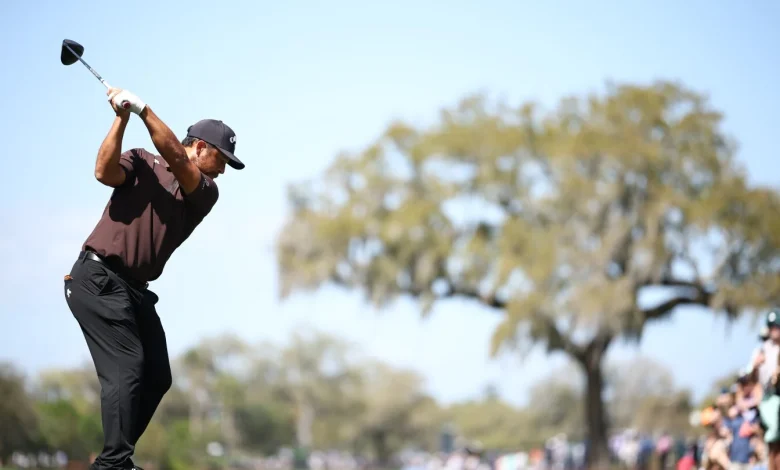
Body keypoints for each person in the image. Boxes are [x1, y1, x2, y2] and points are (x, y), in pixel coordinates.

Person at [63, 87, 244, 470]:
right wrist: (121, 117)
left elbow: (176, 158)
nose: (224, 168)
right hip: (97, 278)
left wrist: (143, 108)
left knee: (157, 375)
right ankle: (114, 463)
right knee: (128, 366)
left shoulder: (206, 192)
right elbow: (103, 171)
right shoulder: (143, 161)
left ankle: (114, 459)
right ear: (199, 147)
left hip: (133, 291)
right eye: (221, 157)